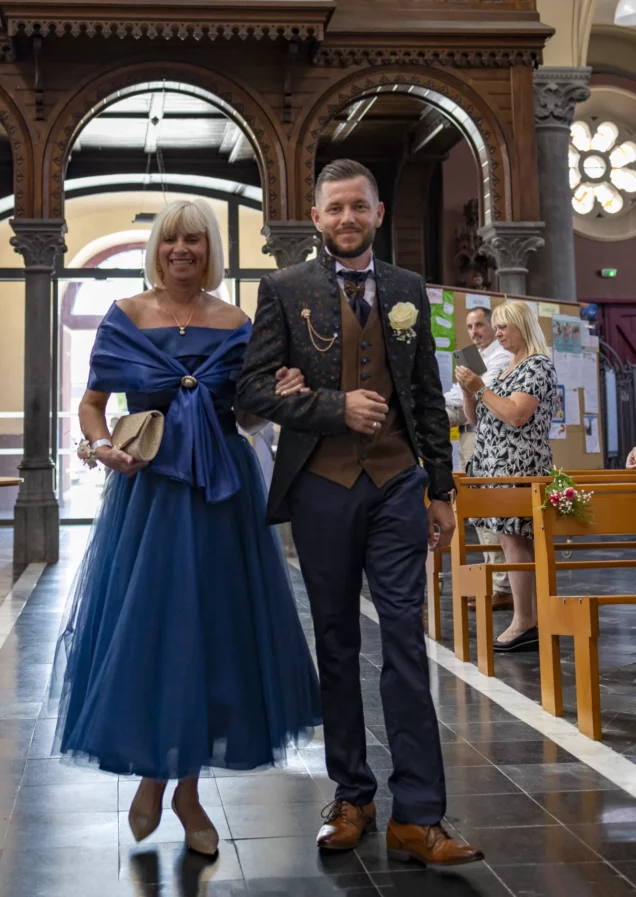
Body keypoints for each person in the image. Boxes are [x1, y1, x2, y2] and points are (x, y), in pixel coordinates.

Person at [52, 199, 321, 858]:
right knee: (150, 631)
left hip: (221, 493)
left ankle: (188, 790)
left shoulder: (237, 321)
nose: (182, 250)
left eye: (195, 240)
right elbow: (91, 405)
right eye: (171, 239)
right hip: (149, 495)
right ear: (157, 248)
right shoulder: (125, 317)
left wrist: (279, 397)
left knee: (213, 635)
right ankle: (152, 773)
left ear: (210, 250)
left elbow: (248, 418)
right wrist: (98, 447)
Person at [236, 159, 483, 869]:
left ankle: (420, 814)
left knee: (405, 641)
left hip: (400, 483)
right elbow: (251, 388)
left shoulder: (407, 290)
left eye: (358, 207)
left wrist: (441, 487)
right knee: (337, 641)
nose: (346, 218)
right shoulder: (283, 289)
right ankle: (352, 794)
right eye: (334, 208)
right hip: (321, 483)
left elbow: (427, 394)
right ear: (316, 219)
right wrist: (330, 406)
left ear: (377, 213)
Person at [456, 299, 558, 654]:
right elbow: (478, 417)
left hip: (519, 465)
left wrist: (481, 387)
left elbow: (516, 415)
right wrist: (472, 390)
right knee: (509, 540)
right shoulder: (505, 369)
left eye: (502, 326)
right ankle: (527, 617)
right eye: (495, 327)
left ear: (521, 326)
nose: (497, 333)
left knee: (516, 540)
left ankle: (524, 620)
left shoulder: (537, 365)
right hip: (496, 464)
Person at [444, 307, 512, 611]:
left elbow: (470, 394)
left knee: (492, 513)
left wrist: (449, 399)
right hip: (469, 436)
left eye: (481, 325)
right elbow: (455, 394)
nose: (476, 331)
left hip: (488, 436)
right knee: (479, 515)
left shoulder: (500, 355)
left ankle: (502, 587)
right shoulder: (469, 355)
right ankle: (493, 583)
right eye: (470, 326)